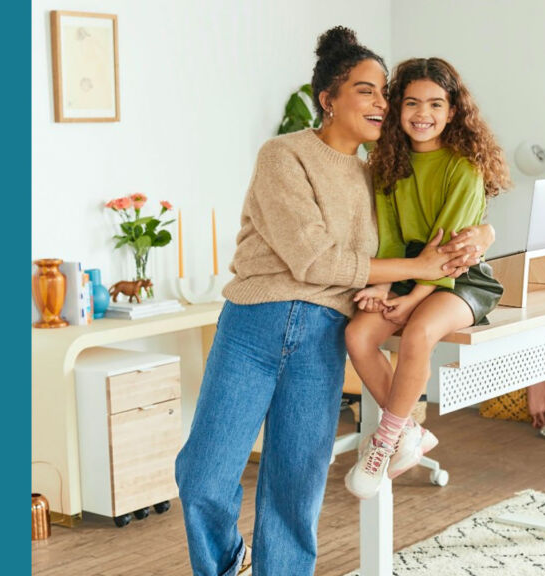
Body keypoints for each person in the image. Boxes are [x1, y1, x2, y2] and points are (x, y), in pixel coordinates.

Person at [174, 29, 494, 576]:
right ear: (329, 99)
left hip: (322, 333)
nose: (381, 103)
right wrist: (418, 270)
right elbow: (313, 260)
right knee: (203, 475)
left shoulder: (379, 174)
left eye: (383, 93)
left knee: (296, 486)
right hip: (254, 325)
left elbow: (432, 222)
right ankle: (226, 567)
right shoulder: (284, 155)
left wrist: (482, 233)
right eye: (366, 90)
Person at [343, 57, 512, 499]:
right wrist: (382, 287)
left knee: (418, 333)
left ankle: (384, 442)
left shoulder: (464, 166)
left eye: (436, 104)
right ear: (397, 109)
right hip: (410, 272)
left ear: (453, 111)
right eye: (413, 103)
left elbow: (453, 253)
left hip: (460, 279)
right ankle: (409, 432)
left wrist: (413, 298)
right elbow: (392, 238)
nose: (423, 114)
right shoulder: (387, 165)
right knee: (359, 334)